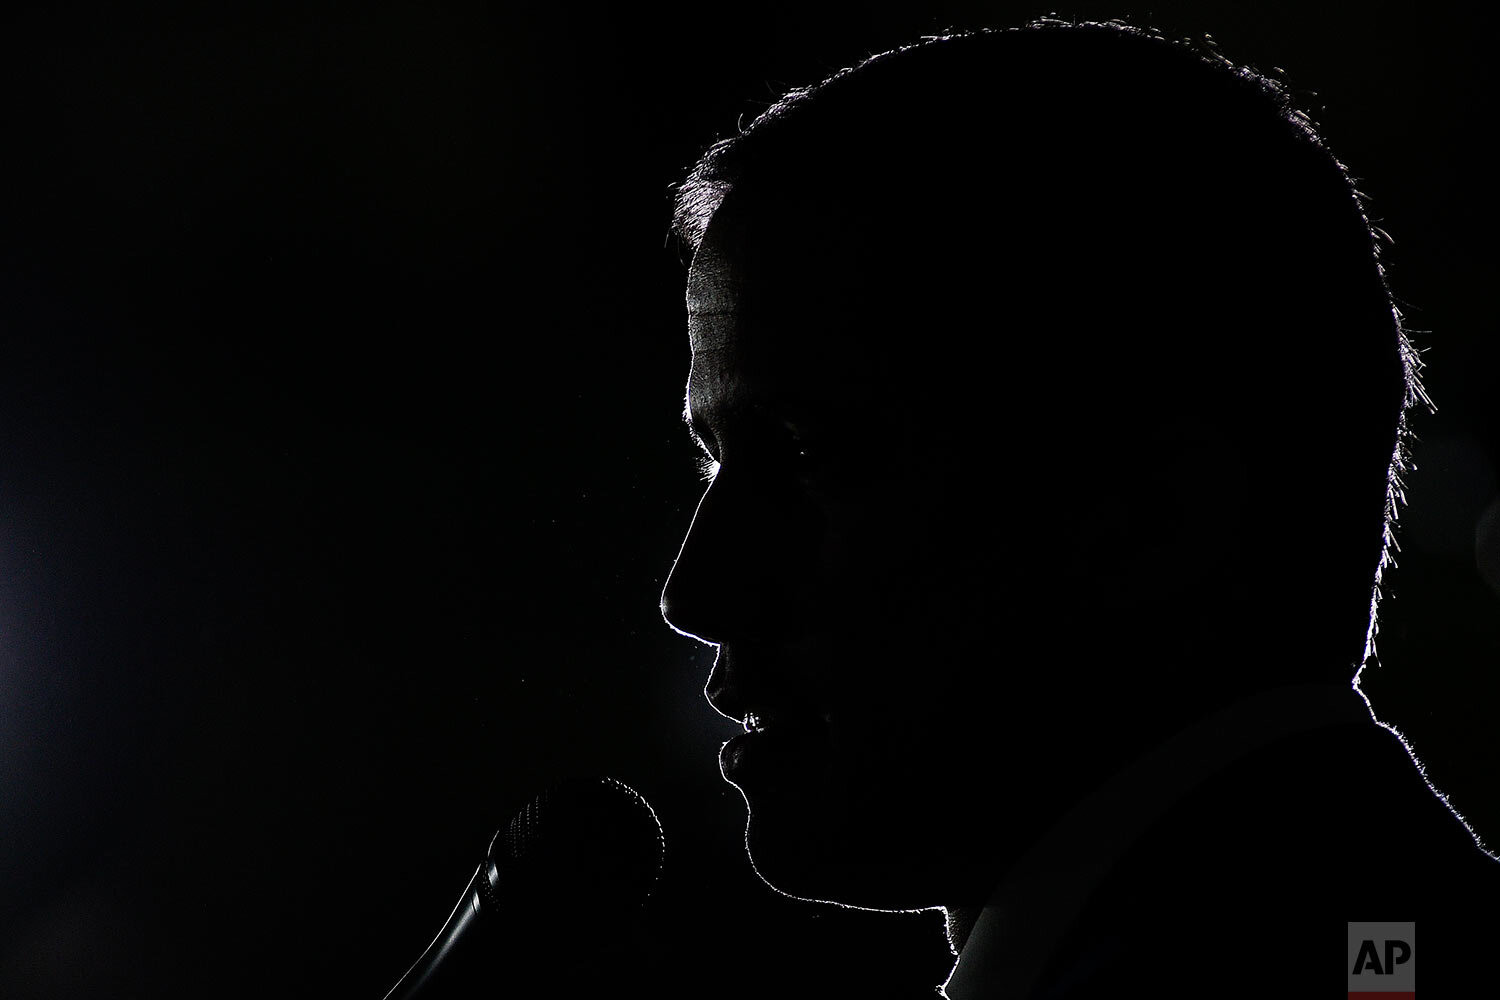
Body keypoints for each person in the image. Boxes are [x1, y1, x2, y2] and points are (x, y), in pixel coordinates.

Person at [659, 19, 1498, 998]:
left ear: (1151, 514)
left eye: (805, 455)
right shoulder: (1385, 941)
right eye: (715, 464)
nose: (695, 589)